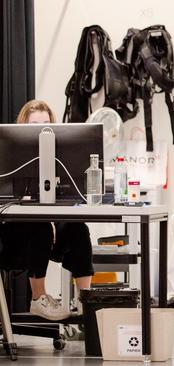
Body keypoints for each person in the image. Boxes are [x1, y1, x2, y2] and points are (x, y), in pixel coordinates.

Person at [0, 100, 94, 321]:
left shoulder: (62, 155)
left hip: (47, 232)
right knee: (39, 225)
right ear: (23, 126)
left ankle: (85, 301)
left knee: (78, 229)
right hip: (13, 239)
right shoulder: (9, 153)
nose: (41, 129)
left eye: (46, 123)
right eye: (34, 124)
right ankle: (38, 299)